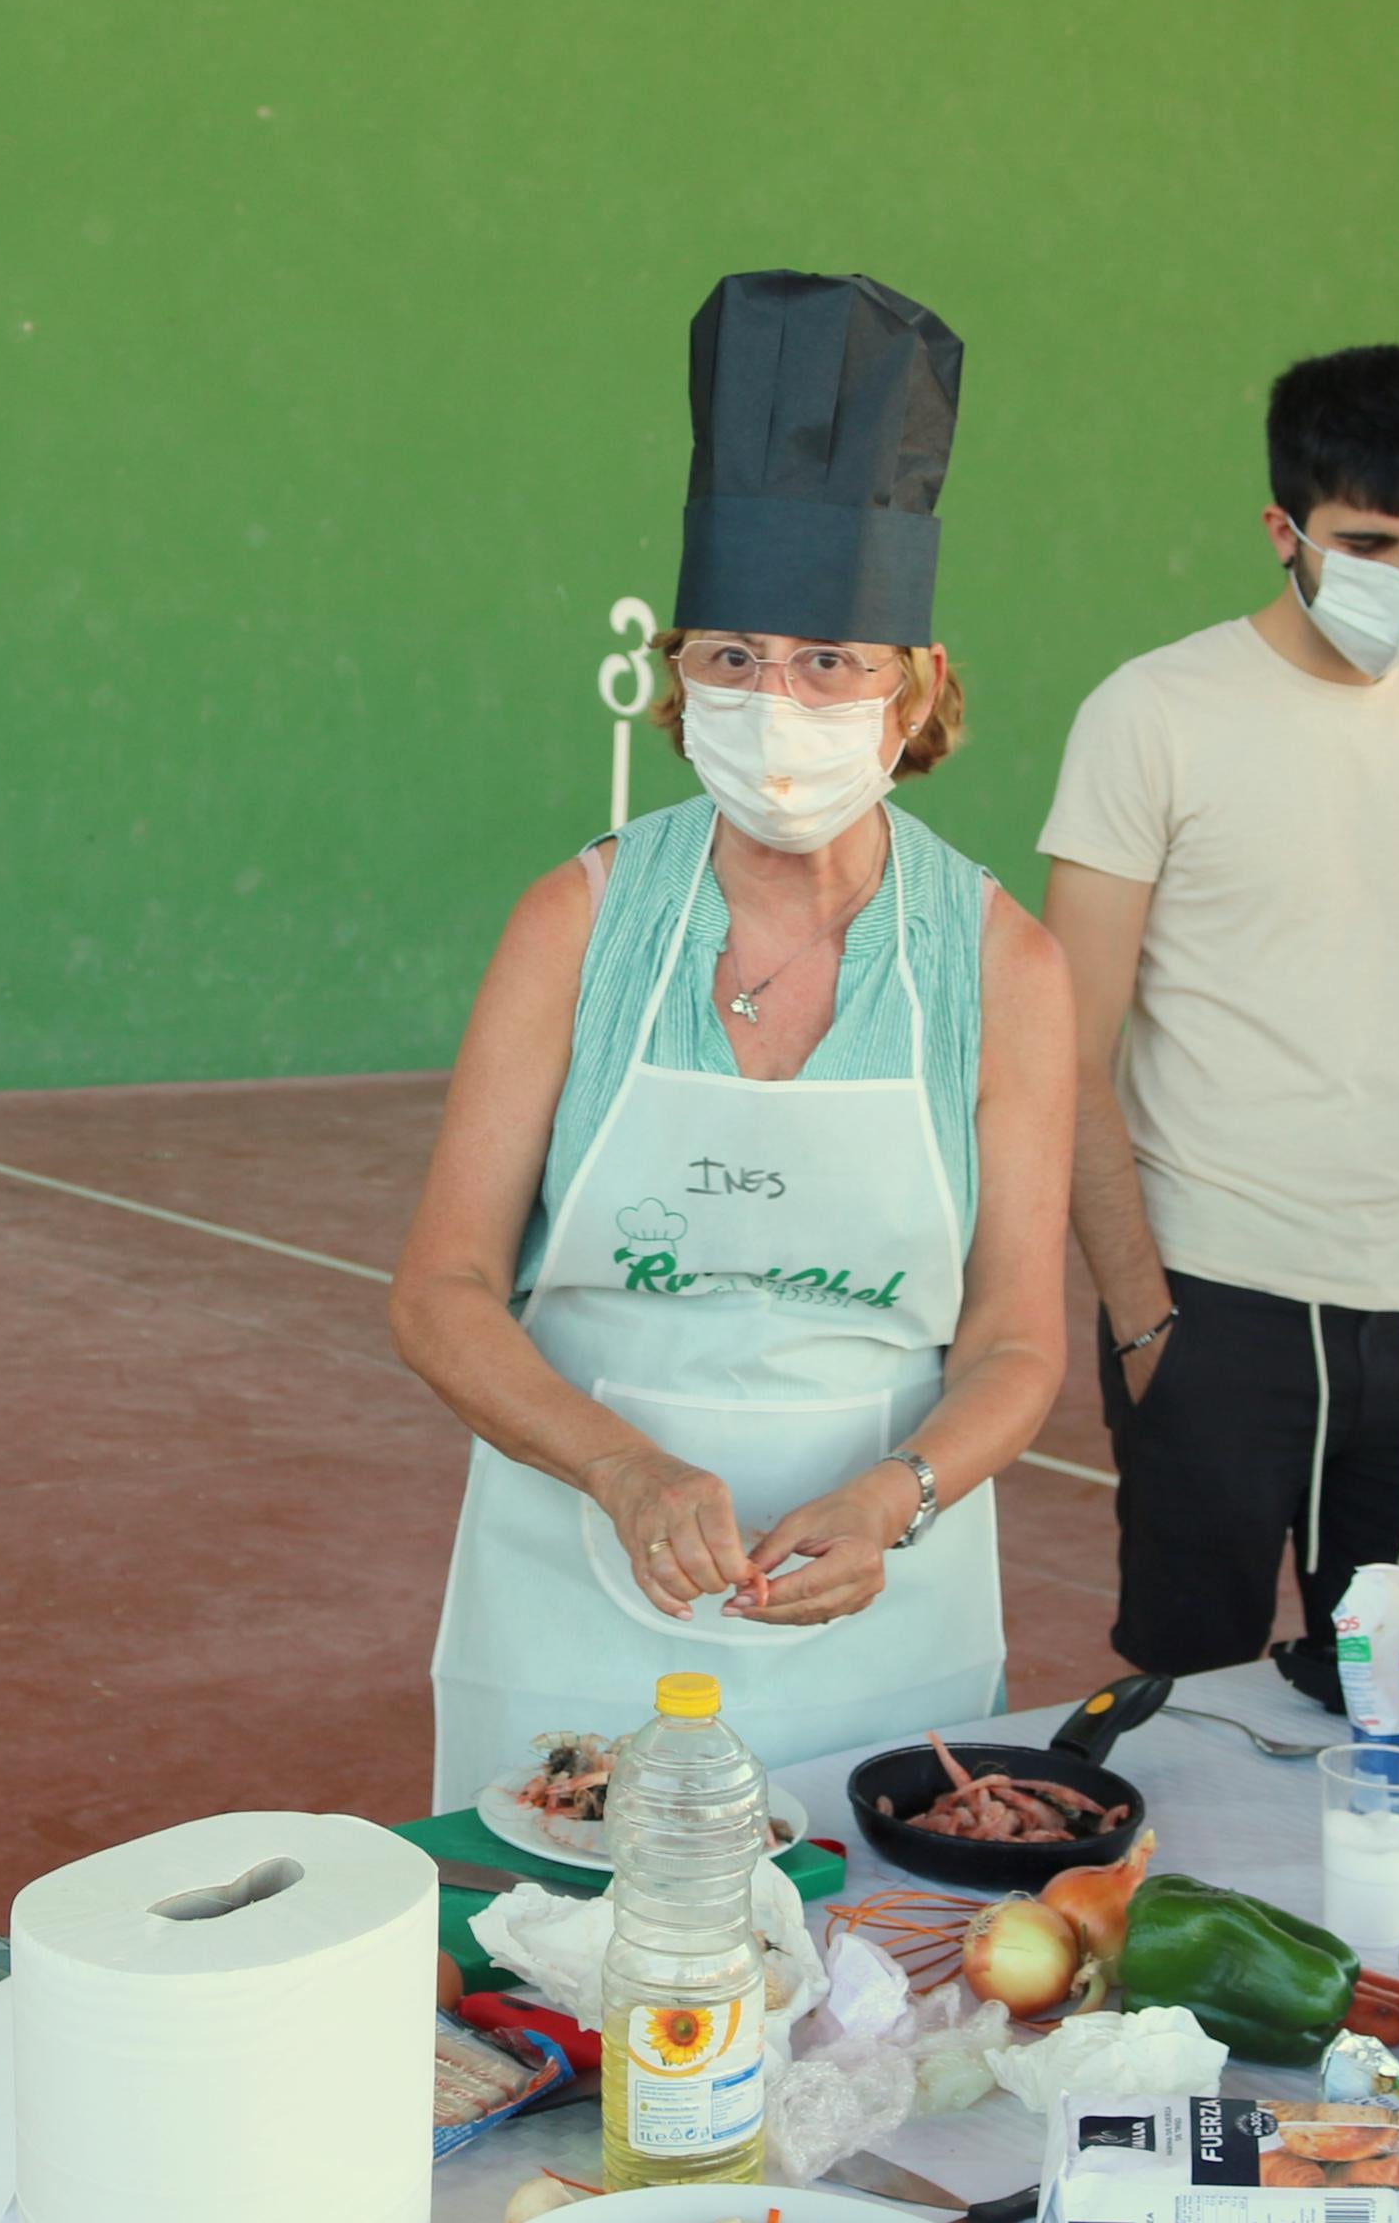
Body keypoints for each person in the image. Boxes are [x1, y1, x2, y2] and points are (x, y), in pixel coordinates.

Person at [394, 269, 1072, 1808]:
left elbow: (1018, 1340)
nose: (779, 702)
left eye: (829, 662)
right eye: (733, 658)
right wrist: (618, 1466)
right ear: (676, 676)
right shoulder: (575, 922)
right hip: (568, 1581)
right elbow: (438, 1292)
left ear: (913, 691)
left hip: (874, 1607)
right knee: (558, 1973)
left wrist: (893, 1497)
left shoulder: (999, 961)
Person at [1037, 344, 1399, 1706]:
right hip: (1210, 1300)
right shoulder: (1151, 711)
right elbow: (1064, 1039)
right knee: (1180, 1697)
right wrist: (1142, 1319)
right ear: (1283, 532)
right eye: (1368, 542)